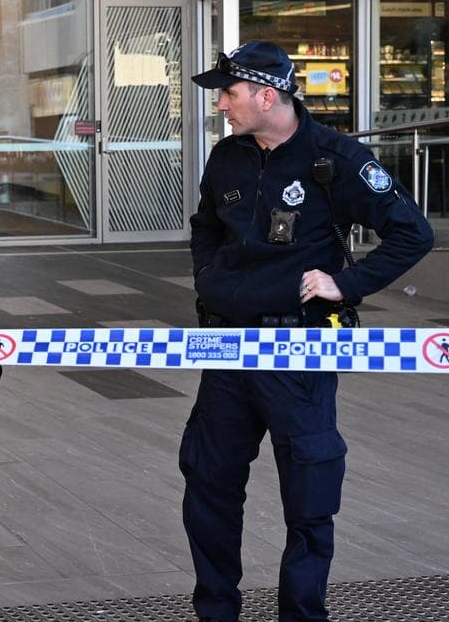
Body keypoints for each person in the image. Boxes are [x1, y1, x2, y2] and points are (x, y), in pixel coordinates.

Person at [182, 42, 434, 622]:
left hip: (300, 350)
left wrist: (347, 285)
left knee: (309, 494)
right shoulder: (227, 157)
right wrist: (209, 278)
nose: (220, 103)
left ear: (267, 96)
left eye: (229, 92)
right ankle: (215, 611)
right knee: (208, 483)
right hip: (228, 346)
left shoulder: (335, 158)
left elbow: (412, 233)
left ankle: (302, 613)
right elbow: (204, 226)